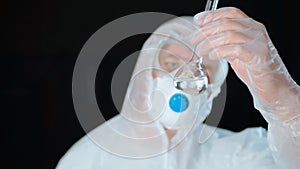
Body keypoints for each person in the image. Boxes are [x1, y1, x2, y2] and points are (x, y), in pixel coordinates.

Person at [56, 7, 300, 169]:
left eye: (200, 70)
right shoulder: (89, 159)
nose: (182, 79)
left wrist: (286, 105)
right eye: (171, 63)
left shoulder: (238, 155)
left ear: (213, 89)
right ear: (145, 68)